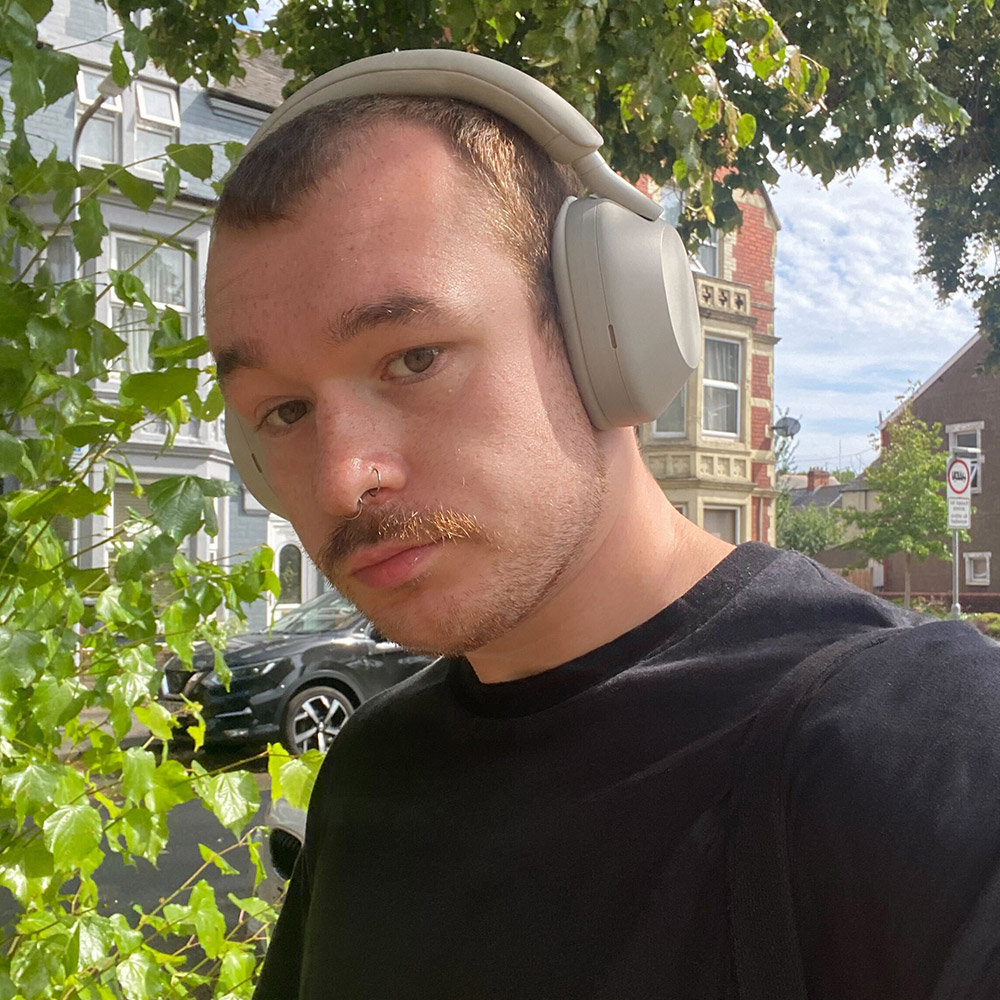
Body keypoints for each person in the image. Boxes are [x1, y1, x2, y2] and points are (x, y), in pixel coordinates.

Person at [204, 50, 1000, 1000]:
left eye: (413, 357)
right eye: (283, 414)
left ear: (607, 331)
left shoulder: (918, 744)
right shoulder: (370, 772)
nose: (341, 480)